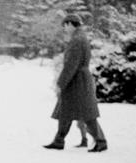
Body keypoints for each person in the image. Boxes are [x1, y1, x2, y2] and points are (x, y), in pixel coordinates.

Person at [44, 13, 108, 152]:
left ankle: (100, 141)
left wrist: (61, 82)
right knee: (65, 112)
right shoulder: (79, 38)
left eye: (65, 25)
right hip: (78, 80)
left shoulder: (77, 40)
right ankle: (59, 140)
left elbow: (71, 65)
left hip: (77, 81)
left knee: (86, 114)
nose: (64, 29)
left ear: (71, 24)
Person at [52, 52, 88, 147]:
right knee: (80, 119)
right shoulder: (76, 65)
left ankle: (59, 140)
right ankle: (85, 139)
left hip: (72, 93)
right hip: (75, 92)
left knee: (67, 118)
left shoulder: (72, 65)